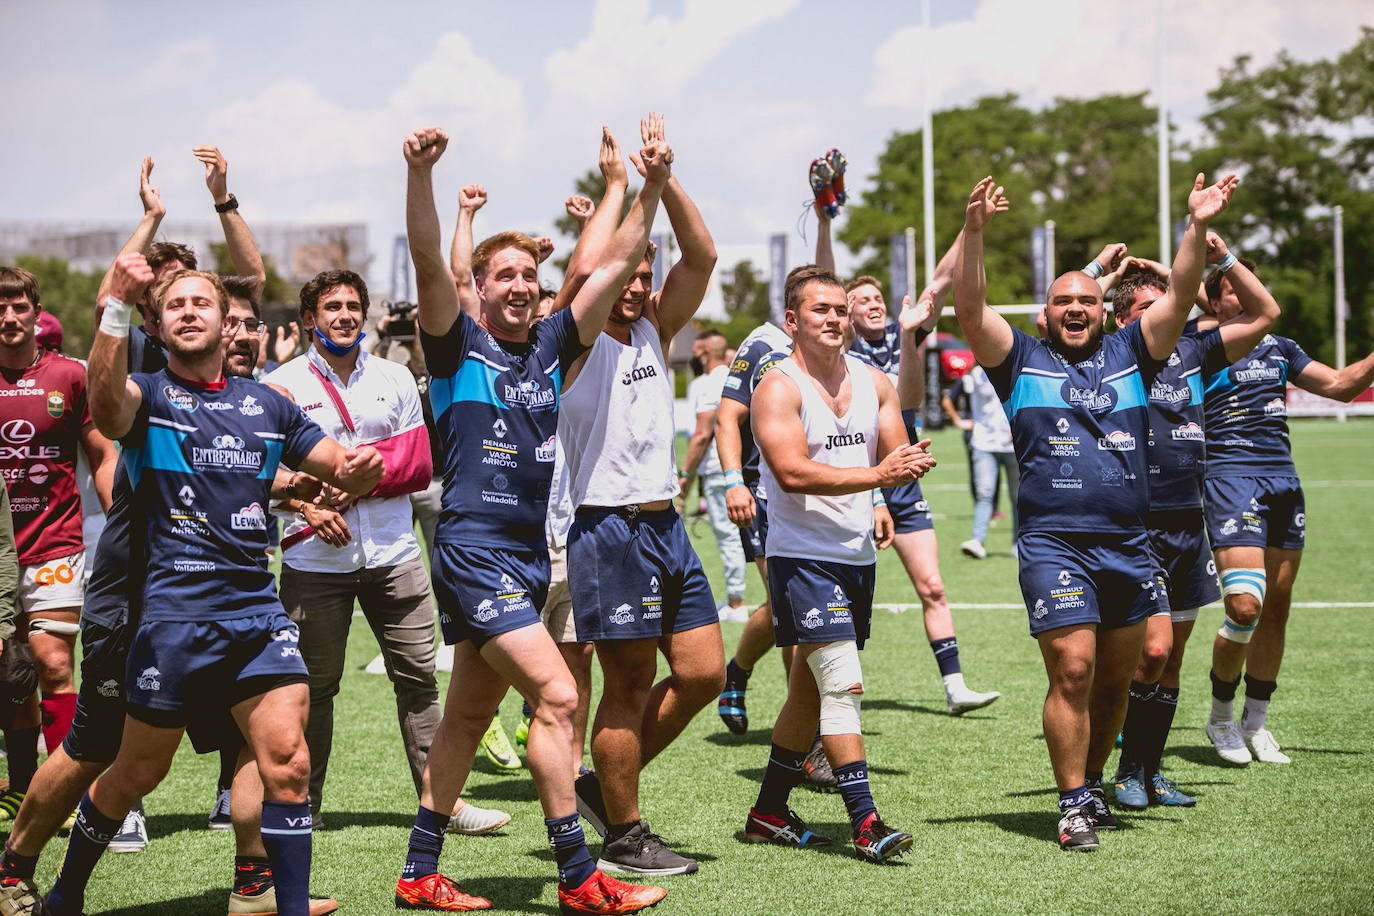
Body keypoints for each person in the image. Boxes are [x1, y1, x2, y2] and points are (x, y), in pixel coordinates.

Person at [32, 255, 381, 916]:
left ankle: (288, 907)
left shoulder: (267, 405)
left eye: (202, 303)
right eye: (175, 306)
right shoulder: (149, 396)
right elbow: (105, 409)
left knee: (289, 763)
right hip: (173, 622)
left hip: (255, 614)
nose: (189, 311)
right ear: (159, 329)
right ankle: (65, 893)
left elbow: (339, 465)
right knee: (137, 772)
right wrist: (113, 308)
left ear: (228, 325)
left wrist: (360, 470)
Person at [395, 123, 668, 913]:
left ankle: (419, 872)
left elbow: (615, 265)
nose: (518, 285)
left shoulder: (548, 345)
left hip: (522, 553)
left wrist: (646, 187)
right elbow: (425, 260)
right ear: (477, 286)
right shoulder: (456, 348)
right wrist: (420, 179)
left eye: (528, 275)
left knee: (470, 713)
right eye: (502, 275)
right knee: (557, 697)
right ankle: (580, 877)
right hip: (475, 550)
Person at [952, 172, 1237, 852]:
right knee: (1073, 671)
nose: (1076, 308)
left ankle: (1096, 783)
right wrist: (973, 234)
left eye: (1087, 299)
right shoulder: (1018, 360)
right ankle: (1072, 801)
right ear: (1045, 316)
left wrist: (1196, 229)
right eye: (1063, 302)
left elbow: (1177, 296)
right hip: (1056, 546)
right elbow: (969, 310)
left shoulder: (1135, 353)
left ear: (1107, 311)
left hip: (1129, 546)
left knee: (1117, 683)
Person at [558, 113, 726, 878]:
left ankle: (601, 787)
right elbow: (583, 273)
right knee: (625, 682)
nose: (631, 287)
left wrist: (667, 176)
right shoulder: (575, 338)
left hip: (666, 525)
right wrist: (626, 189)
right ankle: (625, 835)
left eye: (640, 276)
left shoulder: (659, 324)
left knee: (702, 675)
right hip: (606, 528)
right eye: (620, 276)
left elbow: (706, 252)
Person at [742, 264, 934, 861]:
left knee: (806, 694)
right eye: (819, 310)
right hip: (802, 559)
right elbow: (791, 471)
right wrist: (878, 476)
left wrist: (894, 475)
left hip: (854, 557)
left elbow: (896, 446)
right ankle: (867, 823)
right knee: (843, 688)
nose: (833, 318)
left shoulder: (873, 380)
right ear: (793, 322)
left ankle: (767, 812)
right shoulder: (778, 386)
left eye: (838, 308)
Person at [1099, 238, 1278, 808]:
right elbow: (1050, 314)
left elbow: (1266, 314)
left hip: (1187, 524)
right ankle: (1124, 770)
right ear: (1123, 322)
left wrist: (1222, 259)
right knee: (1150, 653)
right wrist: (1101, 271)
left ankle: (1151, 772)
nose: (1163, 318)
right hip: (1135, 525)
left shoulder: (1197, 352)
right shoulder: (1112, 356)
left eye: (1166, 307)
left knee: (1172, 658)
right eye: (1147, 311)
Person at [262, 270, 443, 824]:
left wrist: (361, 481)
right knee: (312, 689)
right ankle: (305, 804)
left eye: (352, 305)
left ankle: (443, 802)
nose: (344, 315)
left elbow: (419, 464)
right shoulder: (279, 384)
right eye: (331, 306)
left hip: (394, 553)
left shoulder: (395, 376)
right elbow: (260, 471)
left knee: (420, 681)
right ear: (309, 319)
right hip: (313, 560)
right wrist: (308, 507)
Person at [1199, 257, 1374, 767]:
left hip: (1283, 482)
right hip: (1230, 479)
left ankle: (1256, 722)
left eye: (1252, 285)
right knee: (1244, 607)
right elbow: (1181, 301)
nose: (1246, 294)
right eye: (1233, 289)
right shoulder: (1201, 345)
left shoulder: (1281, 348)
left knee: (1276, 607)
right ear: (1214, 301)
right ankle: (1219, 717)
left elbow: (1341, 385)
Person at [0, 266, 117, 793]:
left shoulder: (69, 376)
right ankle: (23, 791)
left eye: (18, 306)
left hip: (55, 544)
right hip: (1, 551)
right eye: (0, 308)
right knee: (10, 677)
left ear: (34, 310)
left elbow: (102, 454)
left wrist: (119, 528)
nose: (9, 318)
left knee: (51, 664)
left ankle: (64, 791)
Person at [679, 328, 748, 621]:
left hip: (719, 469)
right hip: (742, 466)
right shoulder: (737, 377)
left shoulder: (706, 384)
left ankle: (736, 602)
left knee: (728, 535)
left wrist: (685, 476)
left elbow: (701, 434)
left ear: (705, 353)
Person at [942, 364, 1017, 559]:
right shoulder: (973, 375)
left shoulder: (1016, 369)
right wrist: (958, 420)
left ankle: (1019, 543)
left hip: (1012, 444)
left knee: (1018, 497)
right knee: (984, 493)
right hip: (983, 442)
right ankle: (978, 540)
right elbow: (948, 398)